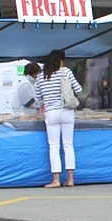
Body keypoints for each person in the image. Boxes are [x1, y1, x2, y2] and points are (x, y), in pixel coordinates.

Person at [35, 50, 83, 188]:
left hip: (51, 113)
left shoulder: (40, 76)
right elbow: (79, 90)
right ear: (60, 61)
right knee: (68, 145)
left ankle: (55, 180)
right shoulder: (66, 72)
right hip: (67, 111)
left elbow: (38, 98)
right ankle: (70, 179)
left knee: (54, 147)